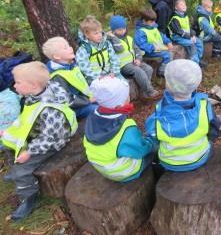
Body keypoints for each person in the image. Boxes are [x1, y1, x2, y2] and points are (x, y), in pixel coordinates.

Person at [1, 62, 77, 220]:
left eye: (18, 82)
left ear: (33, 85)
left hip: (49, 142)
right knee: (8, 144)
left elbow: (48, 139)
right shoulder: (37, 92)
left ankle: (28, 196)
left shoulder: (49, 110)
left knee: (23, 167)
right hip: (36, 130)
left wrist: (29, 152)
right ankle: (14, 171)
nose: (14, 85)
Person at [144, 59, 221, 172]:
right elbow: (214, 128)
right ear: (195, 85)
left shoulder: (158, 114)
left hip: (169, 162)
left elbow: (152, 135)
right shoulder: (205, 107)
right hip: (199, 157)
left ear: (168, 84)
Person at [83, 77, 153, 182]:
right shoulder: (126, 126)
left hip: (100, 167)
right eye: (127, 95)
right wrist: (149, 144)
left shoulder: (92, 118)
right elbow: (140, 151)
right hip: (122, 172)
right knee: (152, 151)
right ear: (121, 103)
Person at [43, 37, 97, 119]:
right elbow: (67, 100)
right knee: (99, 110)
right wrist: (88, 101)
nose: (71, 48)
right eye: (65, 48)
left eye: (68, 45)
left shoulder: (71, 65)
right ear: (57, 56)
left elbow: (82, 81)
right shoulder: (57, 76)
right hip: (74, 109)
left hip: (85, 99)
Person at [108, 15, 160, 99]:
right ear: (113, 31)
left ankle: (144, 92)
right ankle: (150, 91)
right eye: (119, 30)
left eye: (124, 29)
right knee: (138, 71)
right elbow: (119, 48)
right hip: (122, 66)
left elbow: (137, 50)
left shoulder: (129, 38)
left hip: (133, 62)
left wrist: (138, 59)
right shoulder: (111, 41)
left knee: (148, 69)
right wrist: (113, 37)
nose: (122, 31)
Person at [76, 15, 121, 84]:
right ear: (87, 35)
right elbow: (84, 68)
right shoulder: (83, 49)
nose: (100, 35)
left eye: (100, 32)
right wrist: (98, 77)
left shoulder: (107, 44)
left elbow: (114, 58)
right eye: (95, 33)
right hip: (94, 79)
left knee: (124, 86)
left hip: (110, 74)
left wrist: (114, 71)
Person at [134, 9, 173, 77]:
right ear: (144, 21)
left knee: (170, 53)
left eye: (154, 21)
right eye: (151, 22)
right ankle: (161, 71)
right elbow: (142, 45)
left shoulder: (153, 27)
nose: (154, 23)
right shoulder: (140, 32)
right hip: (147, 52)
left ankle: (167, 69)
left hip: (157, 49)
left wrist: (168, 42)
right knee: (167, 55)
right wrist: (153, 47)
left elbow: (161, 35)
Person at [168, 0, 205, 66]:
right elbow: (178, 31)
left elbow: (188, 28)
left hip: (187, 36)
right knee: (191, 44)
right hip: (178, 37)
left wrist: (193, 35)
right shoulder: (175, 18)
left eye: (184, 4)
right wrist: (189, 37)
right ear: (176, 7)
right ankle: (194, 63)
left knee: (199, 42)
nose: (184, 6)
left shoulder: (185, 16)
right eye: (181, 5)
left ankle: (198, 59)